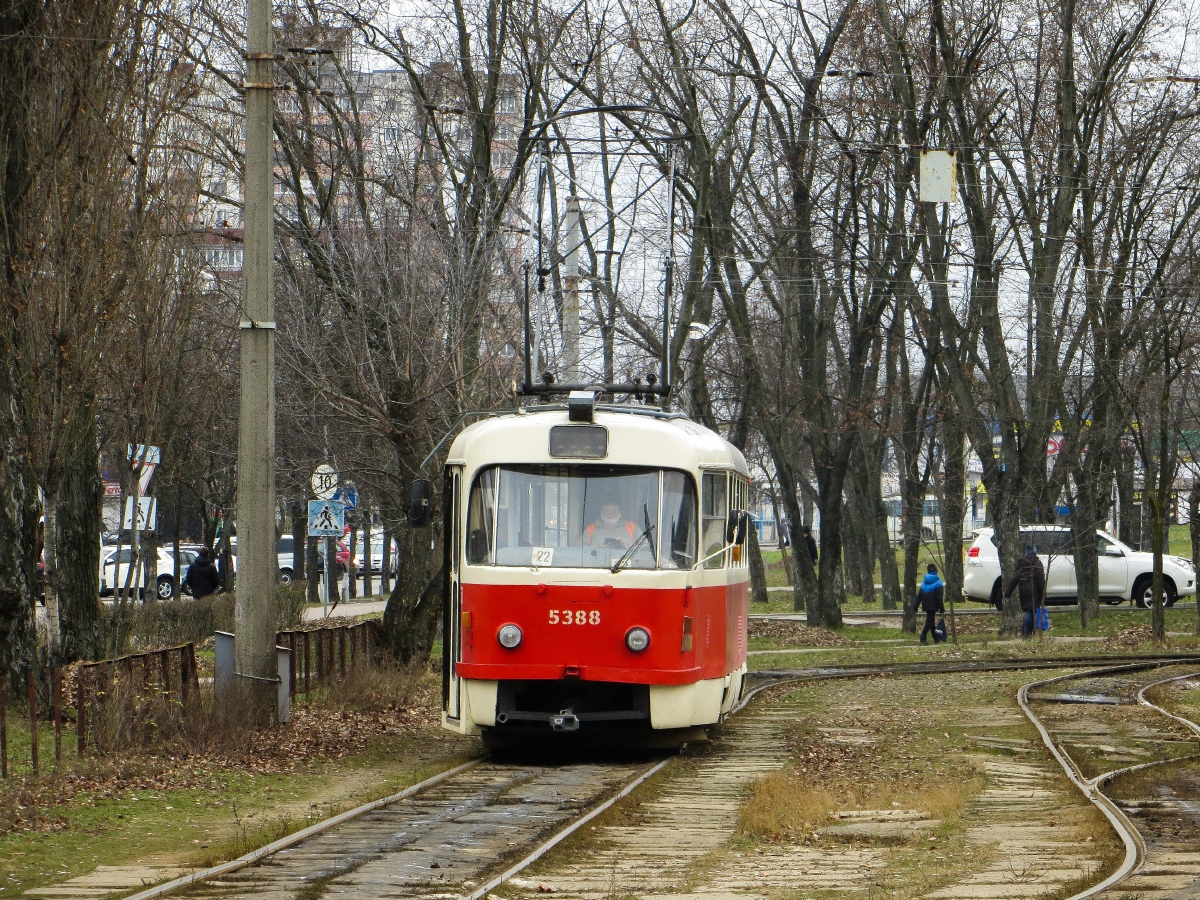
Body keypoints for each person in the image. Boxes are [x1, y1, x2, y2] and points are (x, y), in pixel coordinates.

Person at [1005, 544, 1046, 638]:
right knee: (1030, 612)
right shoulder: (1037, 563)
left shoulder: (1021, 564)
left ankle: (1026, 632)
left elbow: (1015, 579)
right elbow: (1041, 580)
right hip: (1034, 591)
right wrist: (1043, 594)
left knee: (1028, 611)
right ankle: (1027, 632)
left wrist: (1008, 593)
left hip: (1023, 591)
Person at [918, 563, 945, 644]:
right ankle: (923, 638)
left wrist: (916, 605)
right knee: (929, 622)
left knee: (931, 621)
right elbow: (939, 598)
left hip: (926, 605)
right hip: (934, 606)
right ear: (936, 571)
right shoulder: (938, 583)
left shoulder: (924, 583)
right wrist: (941, 608)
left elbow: (919, 595)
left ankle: (936, 638)